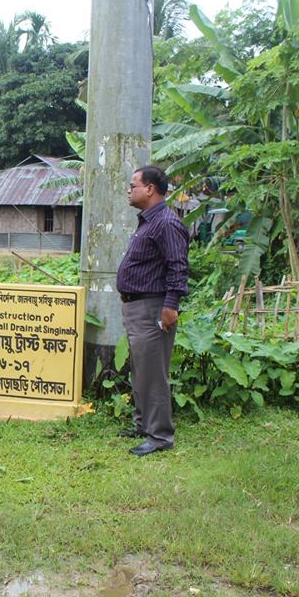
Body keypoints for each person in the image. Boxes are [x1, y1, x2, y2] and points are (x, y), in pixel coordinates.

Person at [116, 165, 189, 457]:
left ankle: (159, 436)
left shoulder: (166, 223)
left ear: (149, 189)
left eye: (132, 185)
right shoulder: (150, 221)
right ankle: (143, 424)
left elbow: (177, 266)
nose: (128, 190)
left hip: (153, 307)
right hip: (137, 306)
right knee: (140, 370)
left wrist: (170, 305)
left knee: (153, 373)